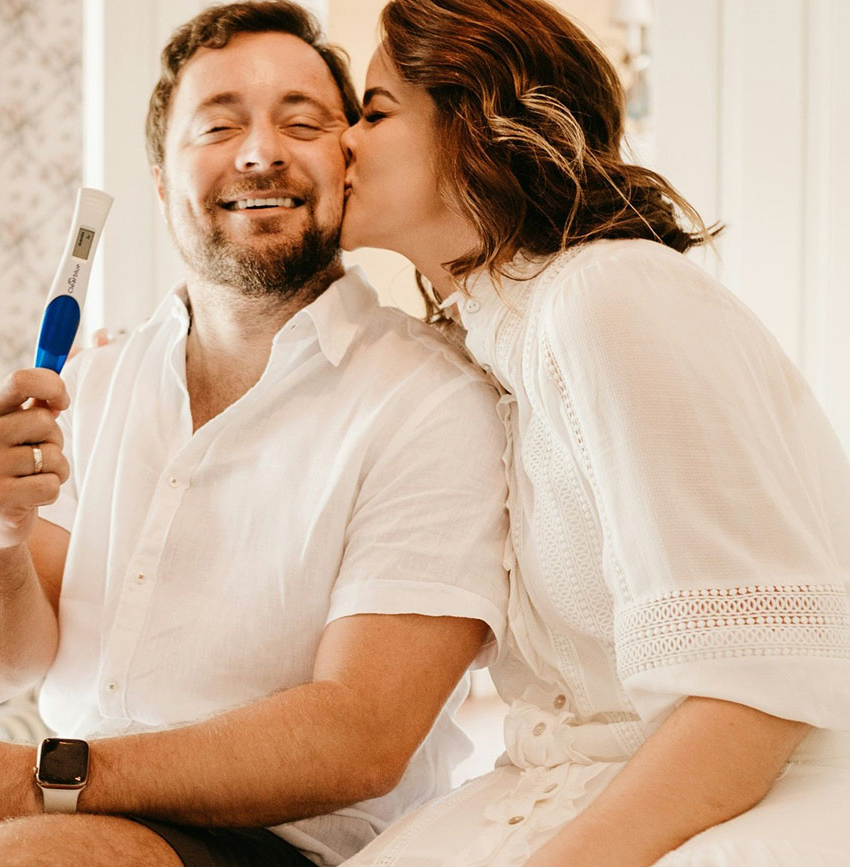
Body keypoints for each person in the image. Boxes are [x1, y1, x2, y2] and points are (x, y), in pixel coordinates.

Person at [0, 4, 512, 866]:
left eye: (302, 122)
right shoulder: (92, 383)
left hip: (284, 842)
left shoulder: (431, 402)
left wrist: (36, 779)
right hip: (60, 811)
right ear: (162, 181)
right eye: (220, 124)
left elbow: (363, 735)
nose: (261, 151)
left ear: (346, 165)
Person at [338, 0, 850, 864]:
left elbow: (757, 693)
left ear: (479, 123)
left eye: (376, 110)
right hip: (567, 786)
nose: (345, 141)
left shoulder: (607, 297)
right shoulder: (489, 353)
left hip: (740, 799)